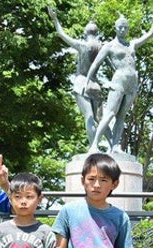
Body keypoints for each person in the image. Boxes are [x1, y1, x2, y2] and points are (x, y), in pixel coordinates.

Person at [86, 9, 153, 153]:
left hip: (132, 82)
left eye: (125, 27)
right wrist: (88, 81)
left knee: (121, 116)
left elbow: (150, 34)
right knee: (110, 113)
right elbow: (96, 64)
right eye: (120, 27)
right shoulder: (109, 46)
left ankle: (115, 146)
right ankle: (94, 145)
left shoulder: (132, 44)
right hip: (119, 80)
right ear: (115, 28)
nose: (123, 30)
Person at [48, 7, 104, 146]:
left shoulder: (82, 45)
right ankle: (112, 145)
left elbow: (62, 34)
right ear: (97, 33)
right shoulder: (102, 47)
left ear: (85, 33)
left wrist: (55, 19)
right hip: (95, 84)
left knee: (89, 117)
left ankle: (93, 147)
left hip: (82, 84)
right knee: (100, 119)